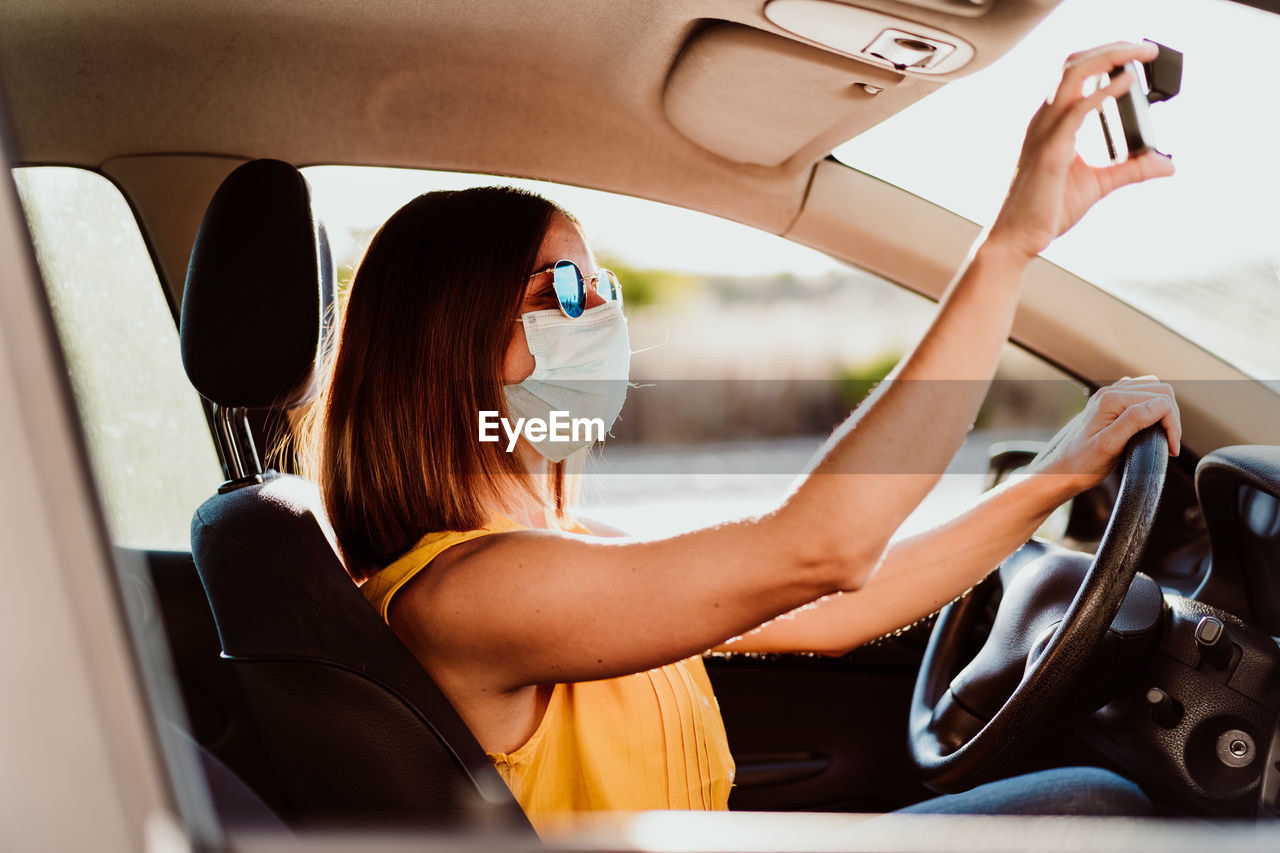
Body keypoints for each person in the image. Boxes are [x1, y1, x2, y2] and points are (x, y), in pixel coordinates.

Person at [303, 42, 1179, 833]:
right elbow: (821, 551)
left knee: (1093, 804)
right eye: (563, 290)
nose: (603, 308)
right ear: (445, 346)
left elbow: (842, 606)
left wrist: (1057, 476)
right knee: (1104, 809)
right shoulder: (474, 594)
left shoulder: (560, 553)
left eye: (601, 282)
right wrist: (1009, 248)